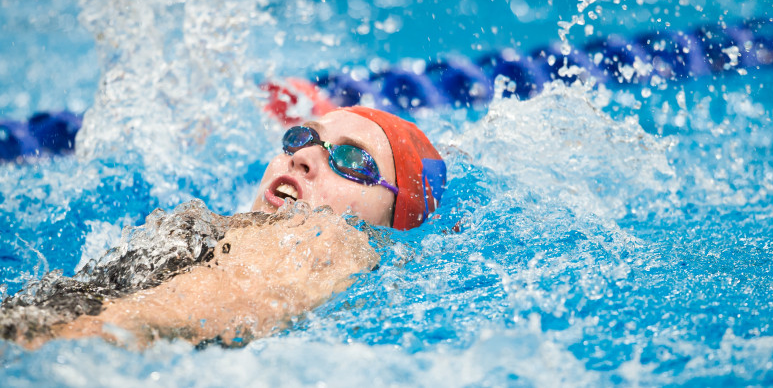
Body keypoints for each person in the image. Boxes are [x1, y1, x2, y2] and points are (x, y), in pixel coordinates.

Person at [1, 106, 446, 349]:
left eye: (351, 161)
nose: (304, 156)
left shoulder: (328, 244)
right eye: (302, 137)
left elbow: (131, 324)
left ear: (393, 219)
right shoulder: (234, 229)